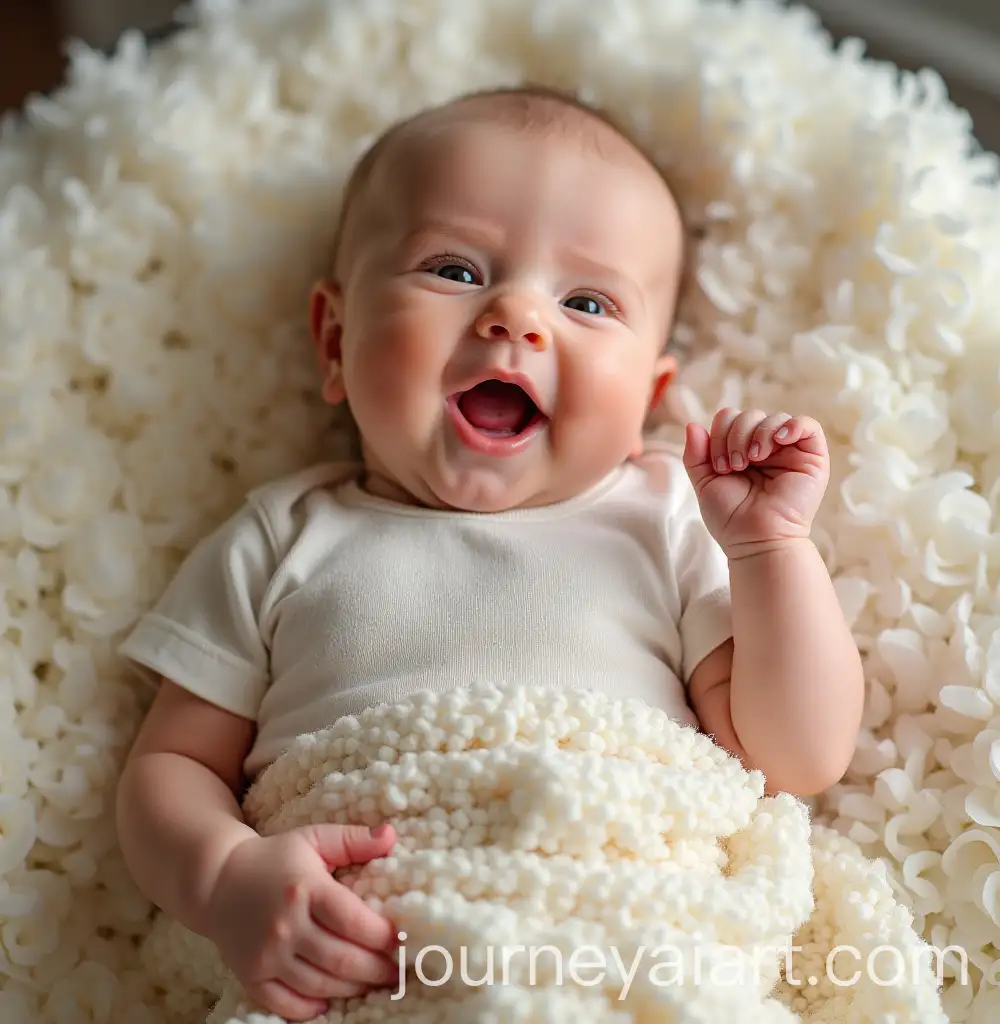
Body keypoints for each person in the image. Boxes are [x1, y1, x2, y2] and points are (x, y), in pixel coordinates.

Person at [114, 85, 865, 1021]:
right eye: (456, 270)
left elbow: (798, 752)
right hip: (368, 957)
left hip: (625, 944)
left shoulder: (669, 518)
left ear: (648, 399)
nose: (516, 317)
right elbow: (169, 770)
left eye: (586, 300)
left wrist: (771, 548)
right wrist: (225, 878)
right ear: (336, 340)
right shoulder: (282, 536)